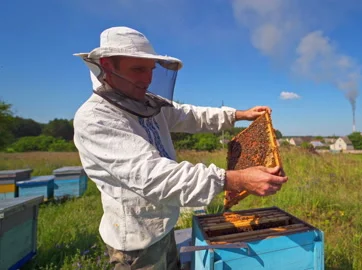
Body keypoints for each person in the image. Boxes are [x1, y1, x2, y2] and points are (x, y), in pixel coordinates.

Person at [72, 26, 288, 269]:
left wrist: (238, 114)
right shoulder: (96, 118)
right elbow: (154, 175)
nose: (147, 79)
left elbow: (191, 115)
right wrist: (235, 179)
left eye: (150, 70)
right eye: (137, 69)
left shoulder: (146, 103)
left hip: (164, 225)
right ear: (107, 66)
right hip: (136, 241)